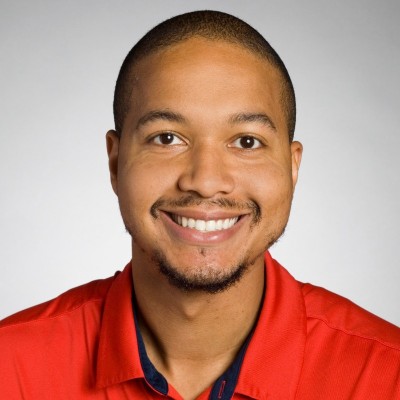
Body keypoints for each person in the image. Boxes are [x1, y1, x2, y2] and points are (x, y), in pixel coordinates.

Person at [0, 10, 399, 400]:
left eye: (246, 142)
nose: (205, 182)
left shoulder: (387, 375)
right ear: (116, 162)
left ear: (292, 167)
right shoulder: (10, 366)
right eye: (167, 138)